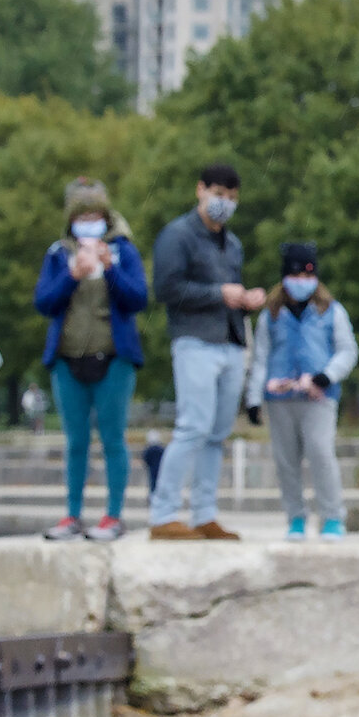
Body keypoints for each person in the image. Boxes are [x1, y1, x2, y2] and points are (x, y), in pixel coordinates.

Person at [148, 165, 264, 540]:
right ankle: (163, 513)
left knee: (217, 434)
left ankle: (204, 513)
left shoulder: (233, 244)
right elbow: (165, 288)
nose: (224, 203)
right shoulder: (177, 235)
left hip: (230, 343)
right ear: (200, 190)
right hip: (195, 342)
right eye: (217, 193)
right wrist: (218, 294)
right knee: (192, 427)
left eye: (231, 197)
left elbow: (228, 292)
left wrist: (244, 300)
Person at [33, 176, 148, 541]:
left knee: (113, 438)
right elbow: (44, 302)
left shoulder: (123, 250)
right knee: (76, 441)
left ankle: (113, 515)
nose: (89, 221)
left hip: (113, 358)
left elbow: (138, 298)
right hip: (68, 360)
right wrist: (72, 276)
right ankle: (72, 515)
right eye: (82, 215)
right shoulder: (57, 253)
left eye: (95, 214)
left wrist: (109, 269)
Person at [244, 242, 357, 539]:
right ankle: (295, 517)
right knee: (285, 461)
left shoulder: (332, 311)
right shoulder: (271, 314)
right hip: (280, 398)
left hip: (318, 397)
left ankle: (332, 517)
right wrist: (254, 398)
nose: (303, 282)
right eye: (296, 275)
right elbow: (260, 358)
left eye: (309, 276)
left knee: (321, 453)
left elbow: (347, 351)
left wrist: (325, 377)